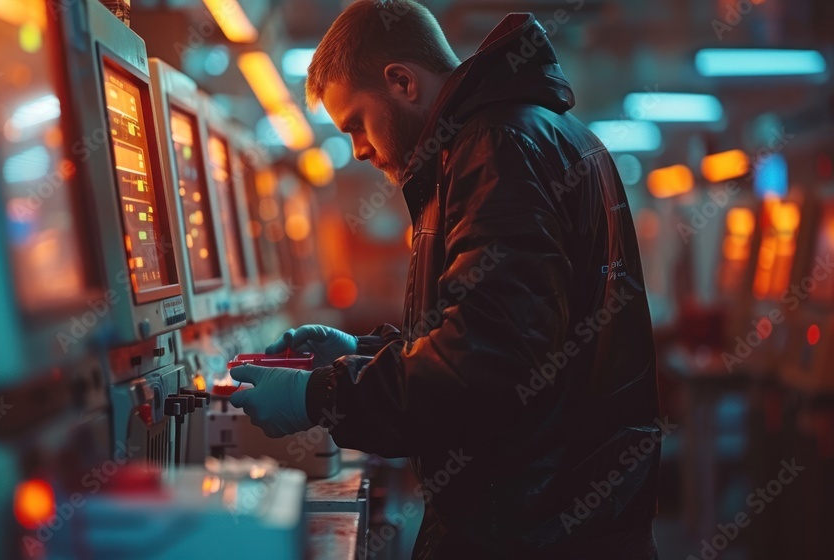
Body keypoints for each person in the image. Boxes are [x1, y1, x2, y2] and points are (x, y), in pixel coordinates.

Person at [228, 1, 662, 558]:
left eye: (356, 123)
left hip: (535, 529)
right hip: (555, 516)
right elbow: (495, 331)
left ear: (402, 82)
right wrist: (361, 353)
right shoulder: (526, 137)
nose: (357, 150)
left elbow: (487, 364)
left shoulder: (498, 148)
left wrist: (319, 396)